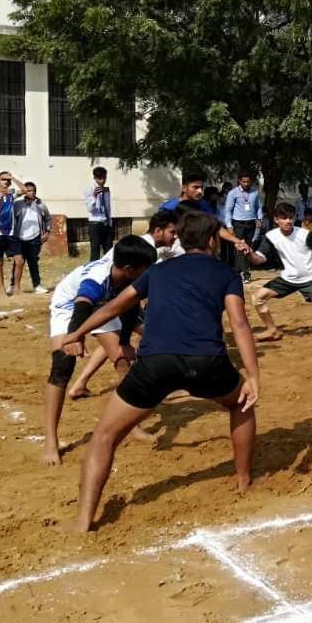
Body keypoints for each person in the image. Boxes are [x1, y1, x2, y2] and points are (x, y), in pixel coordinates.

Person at [61, 212, 260, 530]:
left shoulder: (157, 271)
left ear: (180, 238)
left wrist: (77, 333)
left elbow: (113, 307)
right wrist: (253, 376)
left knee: (104, 436)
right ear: (212, 241)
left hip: (156, 363)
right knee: (242, 404)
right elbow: (239, 323)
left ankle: (84, 519)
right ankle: (244, 480)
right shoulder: (226, 273)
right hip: (207, 361)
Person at [44, 235, 157, 466]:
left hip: (102, 306)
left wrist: (124, 341)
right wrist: (75, 336)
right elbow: (82, 303)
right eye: (146, 269)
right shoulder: (97, 279)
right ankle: (50, 441)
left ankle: (132, 425)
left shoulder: (130, 278)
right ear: (129, 269)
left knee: (123, 361)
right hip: (70, 305)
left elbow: (129, 308)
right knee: (62, 366)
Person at [67, 210, 182, 400]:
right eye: (173, 232)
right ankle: (142, 396)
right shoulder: (141, 250)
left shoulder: (145, 247)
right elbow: (88, 297)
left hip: (111, 298)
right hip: (100, 299)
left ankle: (81, 384)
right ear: (158, 231)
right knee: (139, 345)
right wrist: (75, 334)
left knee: (117, 340)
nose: (176, 237)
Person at [248, 202, 312, 345]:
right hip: (288, 278)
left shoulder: (305, 234)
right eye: (284, 218)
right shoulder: (271, 236)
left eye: (291, 217)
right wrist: (248, 253)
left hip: (309, 278)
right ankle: (272, 330)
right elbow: (258, 259)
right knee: (257, 298)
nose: (288, 221)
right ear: (276, 219)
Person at [161, 172, 251, 253]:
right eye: (195, 187)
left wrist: (237, 241)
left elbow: (216, 226)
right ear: (184, 188)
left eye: (201, 188)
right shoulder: (169, 207)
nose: (200, 191)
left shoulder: (203, 204)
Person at [12, 181, 52, 294]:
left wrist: (47, 231)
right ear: (24, 192)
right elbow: (8, 206)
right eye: (29, 190)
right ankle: (13, 285)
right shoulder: (17, 204)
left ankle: (37, 285)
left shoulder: (40, 204)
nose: (32, 192)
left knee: (33, 262)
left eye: (34, 190)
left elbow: (48, 218)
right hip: (19, 238)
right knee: (18, 263)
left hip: (35, 238)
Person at [0, 170, 22, 297]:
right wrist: (0, 199)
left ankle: (17, 287)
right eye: (3, 179)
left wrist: (13, 178)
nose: (6, 182)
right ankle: (1, 288)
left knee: (19, 261)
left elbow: (25, 190)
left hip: (12, 233)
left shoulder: (12, 195)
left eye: (7, 180)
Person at [224, 173, 262, 282]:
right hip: (238, 223)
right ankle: (246, 273)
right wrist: (229, 225)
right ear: (239, 181)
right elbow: (228, 210)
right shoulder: (233, 193)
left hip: (251, 223)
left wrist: (259, 218)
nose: (246, 184)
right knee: (241, 247)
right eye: (244, 181)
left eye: (248, 182)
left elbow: (258, 207)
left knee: (247, 248)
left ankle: (235, 272)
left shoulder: (254, 192)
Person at [84, 167, 115, 261]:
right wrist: (94, 196)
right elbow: (90, 209)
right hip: (95, 224)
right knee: (95, 251)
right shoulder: (89, 189)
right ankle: (94, 268)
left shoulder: (106, 189)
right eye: (100, 178)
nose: (103, 181)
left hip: (106, 223)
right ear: (95, 178)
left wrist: (110, 222)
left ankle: (108, 268)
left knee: (109, 251)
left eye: (104, 178)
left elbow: (107, 207)